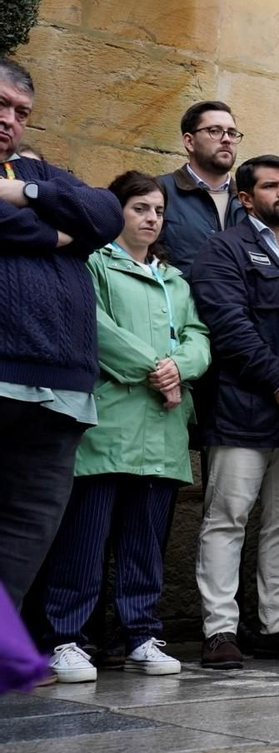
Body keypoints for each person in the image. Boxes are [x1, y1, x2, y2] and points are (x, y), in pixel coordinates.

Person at [40, 171, 211, 683]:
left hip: (162, 426)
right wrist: (158, 369)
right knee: (85, 538)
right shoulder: (93, 262)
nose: (151, 218)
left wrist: (181, 367)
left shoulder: (174, 279)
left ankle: (140, 634)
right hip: (110, 425)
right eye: (140, 208)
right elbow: (93, 325)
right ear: (116, 212)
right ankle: (65, 637)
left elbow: (200, 336)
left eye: (158, 210)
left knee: (145, 540)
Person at [0, 58, 124, 606]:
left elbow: (104, 214)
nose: (10, 120)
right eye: (0, 105)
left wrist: (25, 195)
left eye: (21, 112)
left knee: (28, 529)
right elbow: (81, 229)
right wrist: (56, 234)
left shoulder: (38, 173)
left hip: (62, 385)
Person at [188, 155, 279, 668]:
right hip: (242, 405)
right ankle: (219, 630)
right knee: (227, 519)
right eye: (270, 186)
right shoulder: (223, 249)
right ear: (245, 199)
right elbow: (228, 325)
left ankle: (277, 624)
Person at [157, 101, 247, 273]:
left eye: (232, 133)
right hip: (179, 298)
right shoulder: (159, 192)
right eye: (215, 131)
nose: (227, 139)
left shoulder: (248, 202)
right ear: (189, 142)